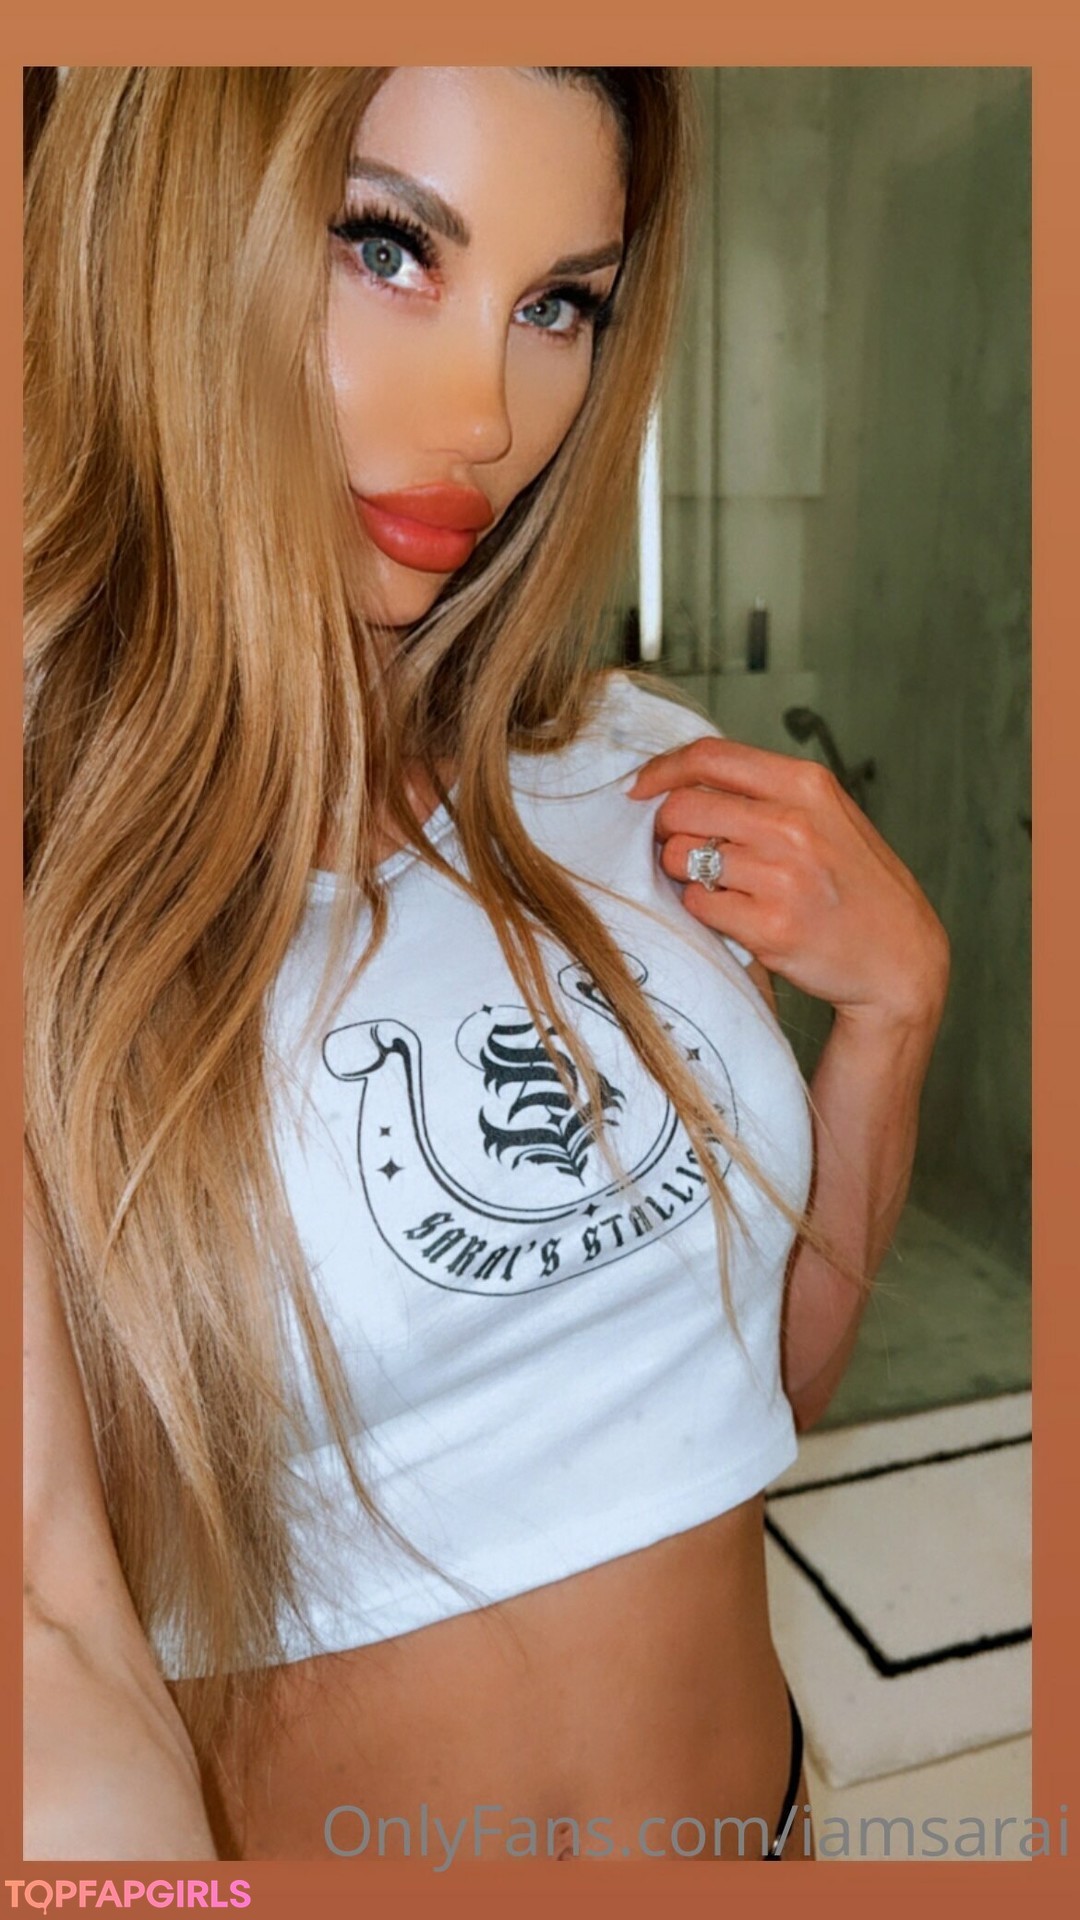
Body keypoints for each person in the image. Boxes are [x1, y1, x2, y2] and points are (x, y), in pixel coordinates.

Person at [23, 66, 950, 1865]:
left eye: (558, 305)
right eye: (386, 248)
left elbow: (743, 1403)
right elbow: (50, 1638)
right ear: (170, 242)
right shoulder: (58, 894)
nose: (483, 417)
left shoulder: (638, 773)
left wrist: (890, 1024)